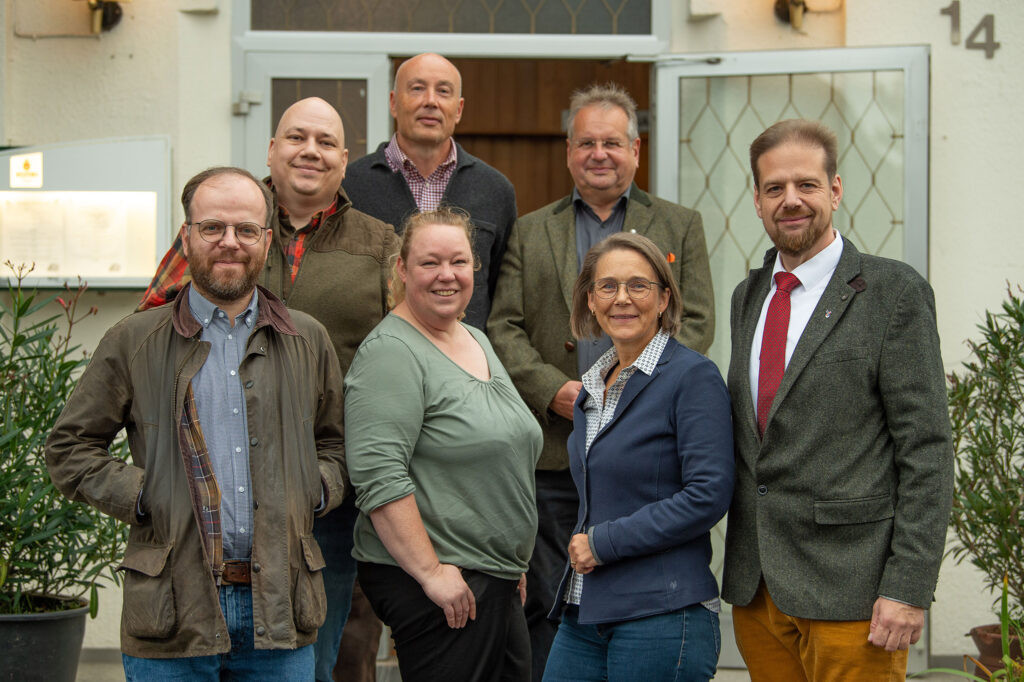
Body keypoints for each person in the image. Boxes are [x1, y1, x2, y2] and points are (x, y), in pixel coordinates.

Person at [45, 167, 347, 680]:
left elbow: (336, 447)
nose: (230, 242)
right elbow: (69, 449)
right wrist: (147, 492)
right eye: (213, 228)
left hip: (280, 610)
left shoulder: (307, 340)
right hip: (171, 610)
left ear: (266, 241)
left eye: (246, 230)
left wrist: (312, 488)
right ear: (186, 237)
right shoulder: (134, 339)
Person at [135, 97, 396, 682]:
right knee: (199, 652)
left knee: (316, 652)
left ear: (345, 160)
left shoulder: (380, 244)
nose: (310, 151)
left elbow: (401, 358)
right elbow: (152, 332)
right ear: (271, 149)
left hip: (318, 496)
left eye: (325, 142)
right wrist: (155, 474)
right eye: (296, 137)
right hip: (211, 489)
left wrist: (331, 480)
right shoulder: (226, 223)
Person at [487, 82, 715, 678]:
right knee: (549, 599)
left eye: (612, 142)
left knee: (636, 593)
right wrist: (554, 391)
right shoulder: (532, 230)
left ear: (635, 150)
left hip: (649, 463)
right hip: (558, 453)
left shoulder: (679, 224)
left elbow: (697, 321)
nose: (599, 154)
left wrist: (644, 396)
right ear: (568, 152)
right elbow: (502, 327)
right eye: (586, 142)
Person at [722, 119, 954, 681]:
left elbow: (926, 449)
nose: (791, 200)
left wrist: (908, 586)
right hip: (759, 589)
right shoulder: (747, 295)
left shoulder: (892, 292)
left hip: (854, 590)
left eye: (806, 184)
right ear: (757, 200)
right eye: (774, 188)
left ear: (836, 190)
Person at [344, 208, 542, 682]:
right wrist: (431, 572)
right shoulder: (392, 352)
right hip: (442, 579)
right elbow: (378, 476)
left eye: (459, 261)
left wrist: (507, 557)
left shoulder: (473, 337)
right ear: (402, 270)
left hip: (489, 573)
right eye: (430, 263)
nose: (446, 275)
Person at [541, 232, 733, 681]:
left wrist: (603, 544)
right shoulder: (593, 385)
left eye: (638, 286)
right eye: (607, 286)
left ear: (664, 298)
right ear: (590, 300)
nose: (621, 299)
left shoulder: (692, 377)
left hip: (661, 613)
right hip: (585, 608)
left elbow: (708, 494)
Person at [342, 52, 517, 330]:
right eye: (417, 88)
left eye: (443, 91)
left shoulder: (495, 190)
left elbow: (501, 294)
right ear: (393, 103)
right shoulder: (349, 186)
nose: (431, 101)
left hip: (465, 365)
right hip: (376, 359)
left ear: (458, 109)